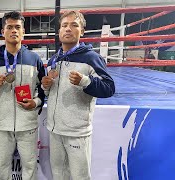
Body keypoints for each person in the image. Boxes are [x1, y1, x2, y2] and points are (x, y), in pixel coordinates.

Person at [41, 11, 115, 180]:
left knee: (80, 177)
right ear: (59, 31)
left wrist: (86, 81)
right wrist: (46, 87)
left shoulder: (91, 58)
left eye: (74, 25)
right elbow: (51, 91)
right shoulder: (54, 59)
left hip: (77, 132)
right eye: (64, 25)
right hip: (54, 130)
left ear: (82, 31)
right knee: (58, 175)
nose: (68, 29)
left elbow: (109, 87)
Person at [0, 11, 45, 180]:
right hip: (2, 124)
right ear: (3, 32)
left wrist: (36, 102)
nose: (14, 31)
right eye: (10, 27)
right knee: (2, 166)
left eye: (17, 27)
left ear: (23, 31)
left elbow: (43, 89)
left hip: (27, 124)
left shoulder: (34, 59)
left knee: (30, 165)